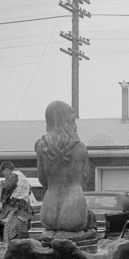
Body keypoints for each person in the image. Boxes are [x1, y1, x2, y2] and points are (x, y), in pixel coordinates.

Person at [35, 100, 90, 233]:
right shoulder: (80, 148)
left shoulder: (42, 148)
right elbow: (85, 178)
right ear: (67, 121)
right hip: (74, 206)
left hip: (49, 207)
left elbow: (42, 180)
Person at [0, 161, 33, 259]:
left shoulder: (14, 176)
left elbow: (7, 186)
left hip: (15, 210)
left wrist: (0, 183)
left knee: (9, 237)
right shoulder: (24, 177)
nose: (4, 176)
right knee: (22, 238)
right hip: (24, 211)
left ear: (7, 170)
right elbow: (29, 191)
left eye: (4, 174)